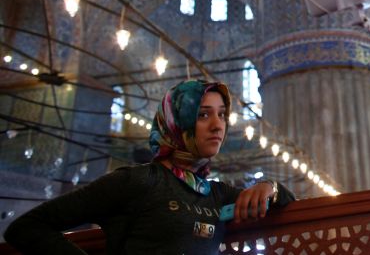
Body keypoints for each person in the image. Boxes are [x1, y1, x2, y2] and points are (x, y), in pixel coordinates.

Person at [5, 79, 295, 254]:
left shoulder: (215, 194)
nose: (218, 124)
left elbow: (288, 204)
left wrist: (270, 187)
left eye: (222, 114)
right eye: (203, 114)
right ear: (176, 121)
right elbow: (27, 227)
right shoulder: (138, 181)